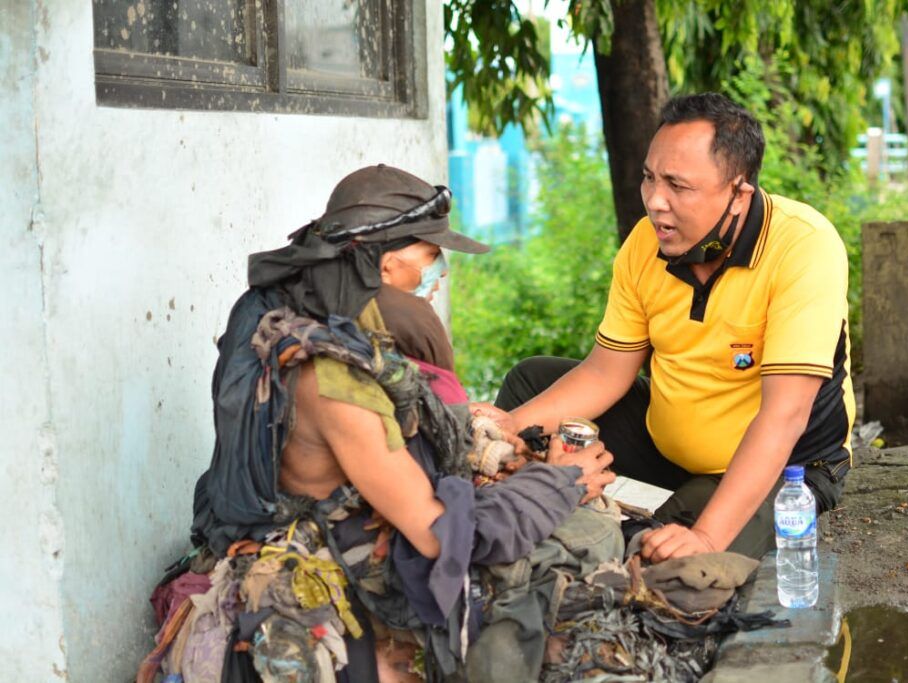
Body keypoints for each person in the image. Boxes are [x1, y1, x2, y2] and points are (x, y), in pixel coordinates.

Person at [142, 165, 617, 683]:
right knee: (582, 544)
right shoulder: (334, 380)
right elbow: (436, 534)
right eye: (432, 257)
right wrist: (556, 484)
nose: (437, 273)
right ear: (388, 267)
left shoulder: (293, 310)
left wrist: (463, 427)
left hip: (315, 507)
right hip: (325, 548)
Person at [479, 92, 855, 562]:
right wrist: (506, 430)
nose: (656, 201)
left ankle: (667, 522)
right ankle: (513, 488)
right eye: (650, 178)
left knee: (666, 553)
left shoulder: (804, 247)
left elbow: (785, 416)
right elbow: (605, 374)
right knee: (531, 382)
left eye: (678, 185)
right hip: (666, 447)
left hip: (785, 465)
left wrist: (708, 538)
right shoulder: (646, 243)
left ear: (738, 194)